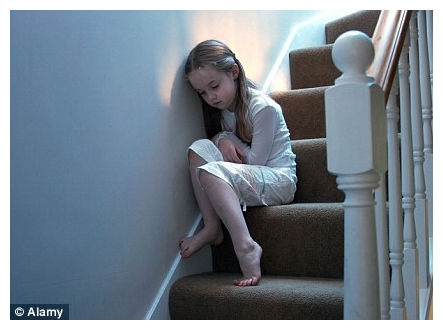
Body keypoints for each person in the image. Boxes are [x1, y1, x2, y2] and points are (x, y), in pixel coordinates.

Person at [179, 39, 297, 286]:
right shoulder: (224, 109)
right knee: (197, 150)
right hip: (255, 176)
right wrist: (222, 137)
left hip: (278, 179)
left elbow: (256, 162)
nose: (210, 97)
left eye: (214, 86)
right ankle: (212, 227)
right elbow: (224, 145)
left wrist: (227, 138)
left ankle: (246, 246)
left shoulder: (264, 108)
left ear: (234, 72)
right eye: (202, 93)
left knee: (211, 173)